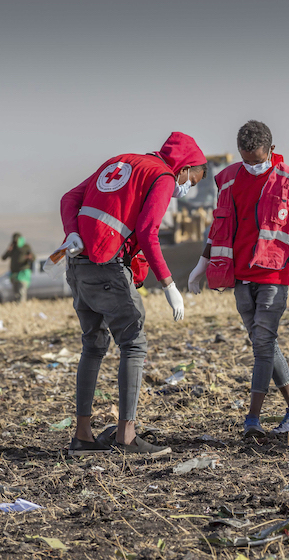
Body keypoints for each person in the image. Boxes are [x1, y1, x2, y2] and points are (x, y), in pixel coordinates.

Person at [61, 132, 207, 456]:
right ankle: (127, 438)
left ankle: (82, 438)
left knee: (94, 346)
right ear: (184, 167)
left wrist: (71, 231)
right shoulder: (164, 176)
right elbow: (147, 231)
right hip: (107, 267)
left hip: (77, 264)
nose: (187, 188)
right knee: (134, 344)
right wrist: (169, 285)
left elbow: (69, 198)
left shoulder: (119, 162)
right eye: (192, 180)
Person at [187, 121, 289, 437]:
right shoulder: (227, 179)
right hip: (239, 275)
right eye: (247, 161)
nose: (253, 167)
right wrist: (201, 264)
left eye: (258, 160)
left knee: (263, 344)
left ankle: (252, 419)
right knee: (263, 343)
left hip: (274, 273)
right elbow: (219, 227)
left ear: (271, 150)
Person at [1, 232, 35, 302]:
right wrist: (9, 250)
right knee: (16, 292)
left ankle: (21, 306)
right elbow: (3, 258)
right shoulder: (13, 248)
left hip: (23, 272)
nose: (16, 242)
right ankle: (17, 305)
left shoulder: (26, 247)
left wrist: (29, 257)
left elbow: (33, 257)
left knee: (21, 291)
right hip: (14, 274)